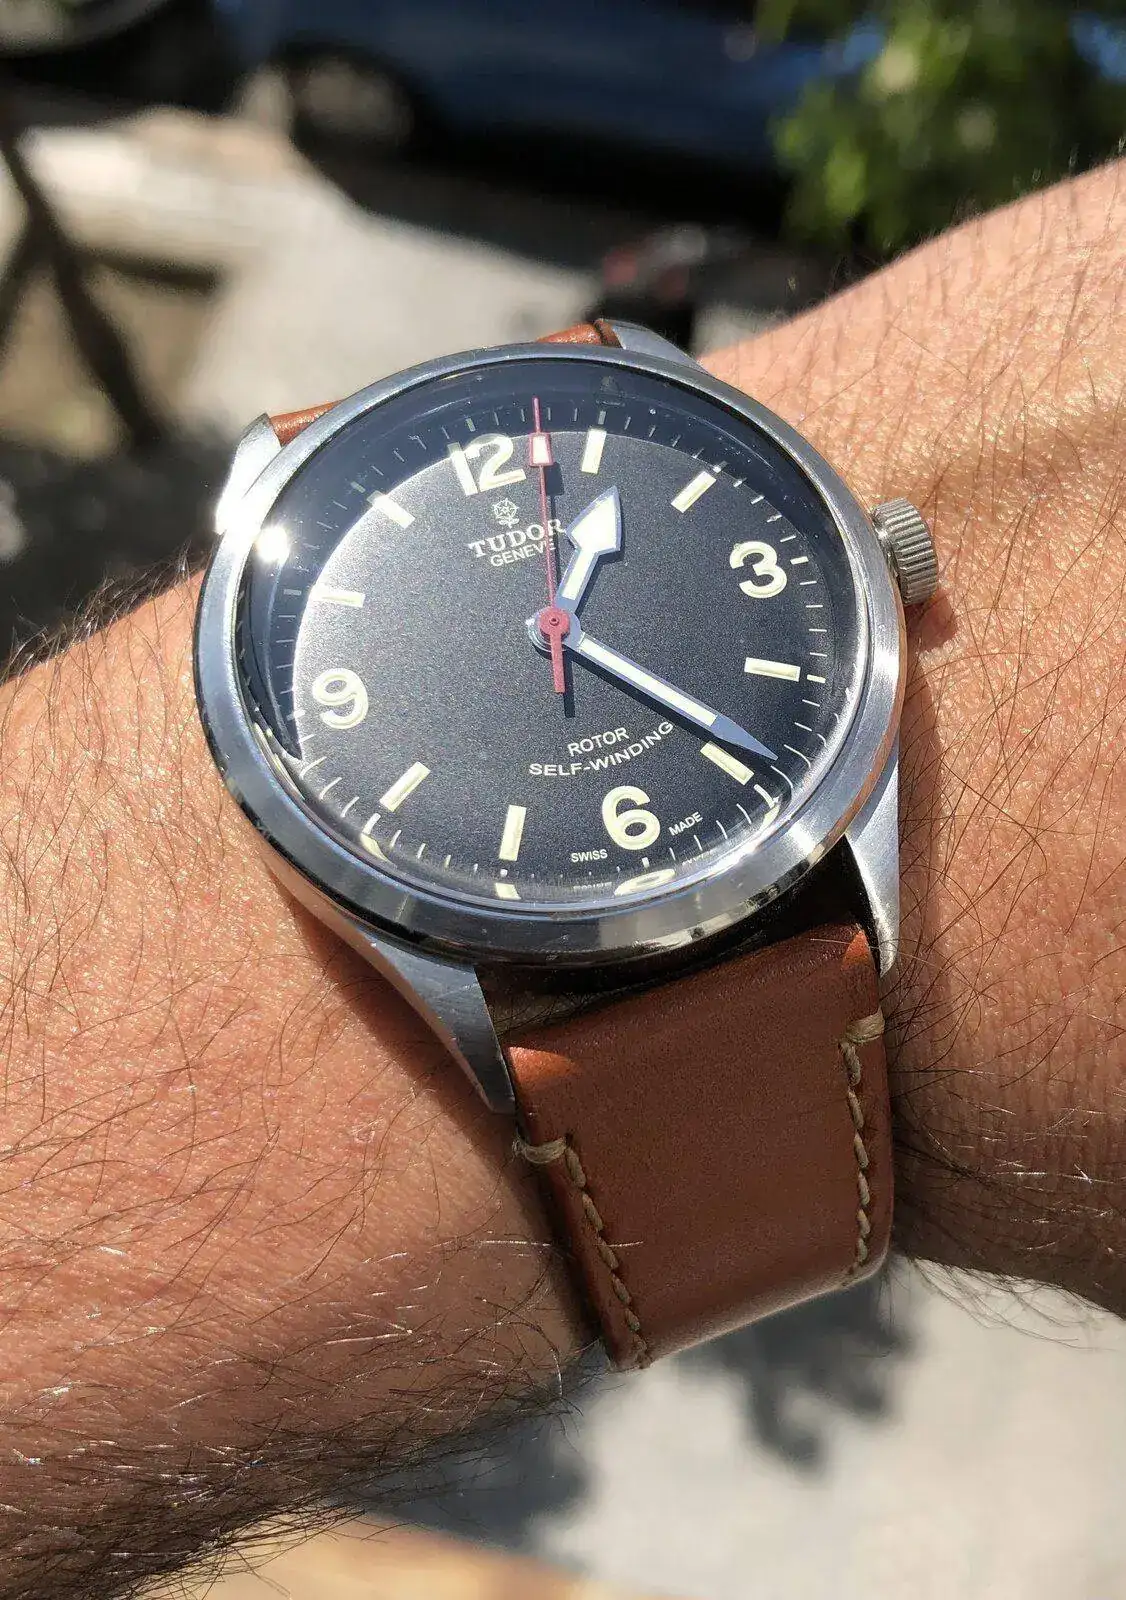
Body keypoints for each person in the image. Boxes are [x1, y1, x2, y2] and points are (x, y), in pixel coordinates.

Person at [2, 157, 1124, 1599]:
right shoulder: (298, 681)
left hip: (787, 846)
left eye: (561, 616)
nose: (552, 631)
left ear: (882, 563)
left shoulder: (807, 611)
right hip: (501, 958)